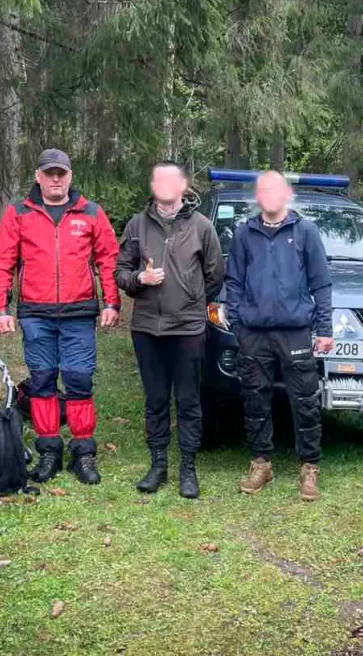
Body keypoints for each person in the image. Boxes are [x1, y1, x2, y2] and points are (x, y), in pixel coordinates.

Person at [0, 148, 120, 485]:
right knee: (42, 383)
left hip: (79, 314)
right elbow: (3, 261)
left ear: (70, 176)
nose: (56, 179)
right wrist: (0, 308)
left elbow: (108, 259)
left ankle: (83, 452)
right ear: (38, 176)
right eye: (50, 173)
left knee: (79, 382)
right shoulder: (19, 213)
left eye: (61, 173)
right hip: (36, 315)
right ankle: (49, 450)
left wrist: (111, 302)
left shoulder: (90, 213)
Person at [115, 162, 225, 498]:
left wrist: (190, 300)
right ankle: (158, 463)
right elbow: (120, 271)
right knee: (156, 400)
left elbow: (215, 275)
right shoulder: (137, 225)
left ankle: (187, 468)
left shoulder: (202, 226)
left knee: (189, 401)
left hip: (188, 329)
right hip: (147, 328)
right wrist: (139, 280)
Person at [225, 170, 333, 501]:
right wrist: (237, 319)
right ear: (258, 197)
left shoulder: (305, 232)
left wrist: (324, 328)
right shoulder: (244, 233)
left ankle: (309, 467)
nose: (270, 195)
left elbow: (321, 282)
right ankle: (261, 464)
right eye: (263, 190)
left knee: (305, 401)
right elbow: (233, 282)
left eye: (276, 189)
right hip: (254, 333)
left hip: (296, 331)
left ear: (286, 194)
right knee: (255, 398)